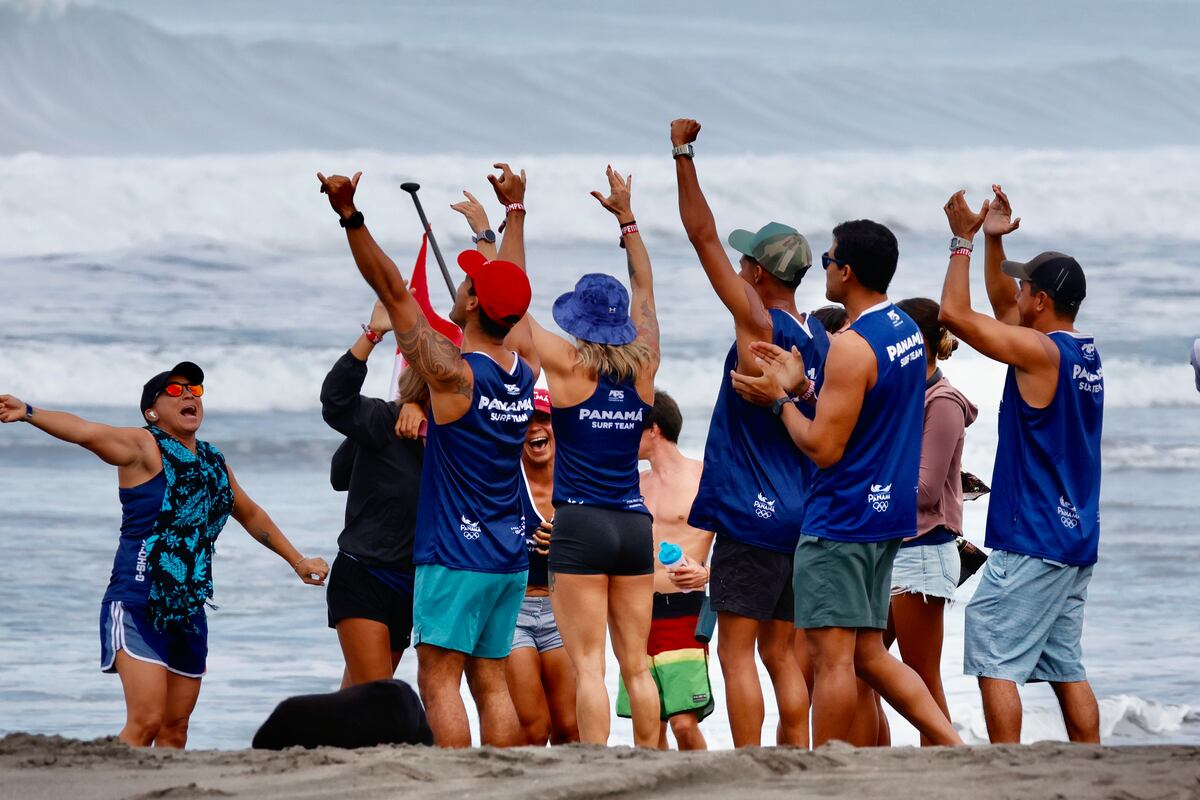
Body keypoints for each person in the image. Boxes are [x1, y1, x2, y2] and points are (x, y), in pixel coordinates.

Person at [317, 166, 538, 748]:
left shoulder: (453, 376)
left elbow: (393, 290)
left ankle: (455, 783)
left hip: (456, 553)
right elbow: (512, 288)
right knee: (490, 680)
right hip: (508, 553)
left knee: (439, 681)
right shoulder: (525, 368)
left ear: (472, 303)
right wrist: (511, 216)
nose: (460, 288)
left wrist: (351, 217)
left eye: (467, 285)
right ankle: (502, 779)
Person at [0, 366, 329, 748]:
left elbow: (250, 513)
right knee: (147, 721)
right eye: (175, 390)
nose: (189, 395)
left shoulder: (213, 462)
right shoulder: (142, 446)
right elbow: (86, 431)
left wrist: (298, 561)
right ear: (152, 411)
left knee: (175, 728)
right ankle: (109, 777)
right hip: (138, 600)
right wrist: (28, 412)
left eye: (195, 390)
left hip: (188, 607)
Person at [731, 219, 962, 748]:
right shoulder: (906, 330)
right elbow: (867, 413)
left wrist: (780, 401)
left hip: (841, 519)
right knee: (867, 655)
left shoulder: (852, 346)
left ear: (849, 272)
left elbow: (823, 447)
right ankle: (952, 746)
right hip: (886, 518)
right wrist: (805, 387)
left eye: (830, 260)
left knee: (831, 659)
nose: (826, 269)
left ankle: (827, 766)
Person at [672, 118, 825, 748]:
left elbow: (701, 236)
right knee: (781, 652)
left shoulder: (759, 326)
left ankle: (748, 763)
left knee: (735, 650)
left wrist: (682, 153)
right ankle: (795, 754)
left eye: (745, 263)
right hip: (803, 513)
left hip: (753, 513)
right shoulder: (820, 338)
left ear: (759, 275)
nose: (737, 268)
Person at [941, 185, 1103, 744]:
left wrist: (961, 242)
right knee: (1065, 666)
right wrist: (993, 241)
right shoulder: (1080, 353)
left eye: (1025, 287)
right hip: (1073, 537)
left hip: (1033, 536)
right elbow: (999, 302)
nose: (1016, 293)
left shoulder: (1039, 353)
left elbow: (954, 315)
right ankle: (1092, 761)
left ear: (1041, 301)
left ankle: (1007, 764)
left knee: (993, 648)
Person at [513, 165, 661, 748]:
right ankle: (652, 762)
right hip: (634, 522)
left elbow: (512, 306)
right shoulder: (645, 364)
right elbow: (646, 290)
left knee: (588, 666)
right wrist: (628, 220)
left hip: (580, 523)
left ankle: (598, 765)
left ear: (577, 320)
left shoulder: (569, 368)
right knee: (637, 665)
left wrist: (511, 217)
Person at [320, 299, 430, 688]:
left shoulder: (455, 439)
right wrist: (373, 334)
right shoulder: (385, 421)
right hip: (364, 574)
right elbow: (336, 402)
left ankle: (322, 733)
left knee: (358, 697)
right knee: (379, 697)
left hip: (412, 583)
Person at [885, 297, 978, 745]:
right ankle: (869, 760)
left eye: (895, 341)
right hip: (893, 550)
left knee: (921, 675)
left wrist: (866, 491)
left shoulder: (942, 402)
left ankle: (949, 759)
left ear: (917, 344)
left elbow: (924, 491)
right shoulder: (906, 397)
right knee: (863, 664)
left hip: (922, 553)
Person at [616, 390, 715, 750]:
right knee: (648, 723)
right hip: (636, 609)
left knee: (683, 722)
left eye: (632, 426)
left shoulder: (704, 476)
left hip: (685, 608)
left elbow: (739, 541)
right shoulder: (632, 483)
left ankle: (705, 780)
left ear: (653, 429)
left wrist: (708, 573)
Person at [507, 386, 579, 745]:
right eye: (526, 420)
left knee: (570, 727)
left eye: (544, 419)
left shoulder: (578, 477)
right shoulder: (503, 478)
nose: (535, 428)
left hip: (563, 611)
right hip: (513, 611)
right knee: (534, 727)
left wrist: (568, 540)